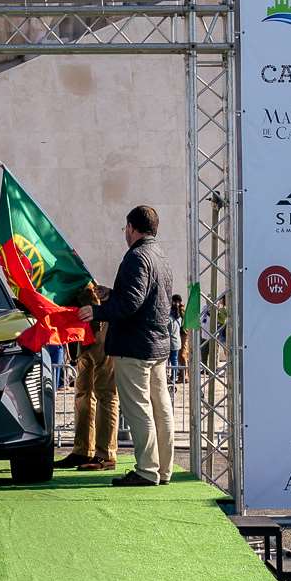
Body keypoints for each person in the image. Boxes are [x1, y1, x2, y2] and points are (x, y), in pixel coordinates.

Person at [78, 205, 173, 487]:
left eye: (125, 228)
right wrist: (112, 294)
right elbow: (146, 297)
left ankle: (146, 470)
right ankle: (163, 470)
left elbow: (132, 303)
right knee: (161, 409)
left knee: (139, 409)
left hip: (134, 347)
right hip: (157, 345)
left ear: (131, 227)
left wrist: (97, 311)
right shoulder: (160, 255)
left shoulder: (136, 257)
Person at [59, 282, 119, 472]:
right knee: (83, 393)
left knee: (105, 394)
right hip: (82, 331)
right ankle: (83, 449)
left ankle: (106, 454)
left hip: (99, 327)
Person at [167, 293, 185, 393]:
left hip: (170, 342)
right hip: (177, 341)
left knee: (170, 361)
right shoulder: (179, 317)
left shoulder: (169, 318)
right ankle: (173, 377)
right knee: (174, 360)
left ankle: (172, 377)